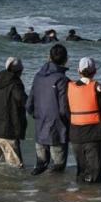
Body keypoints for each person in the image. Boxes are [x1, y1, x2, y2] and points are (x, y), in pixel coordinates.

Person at [26, 44, 70, 174]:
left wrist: (39, 116)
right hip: (58, 131)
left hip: (40, 130)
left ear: (48, 57)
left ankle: (39, 194)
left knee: (40, 169)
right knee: (56, 171)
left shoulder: (38, 77)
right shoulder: (62, 79)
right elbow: (63, 109)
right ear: (66, 59)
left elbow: (29, 105)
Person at [68, 57, 101, 183]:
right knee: (95, 173)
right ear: (95, 71)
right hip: (94, 135)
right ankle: (92, 199)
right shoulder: (99, 88)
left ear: (78, 71)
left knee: (82, 171)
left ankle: (81, 199)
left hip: (75, 135)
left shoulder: (70, 87)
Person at [0, 57, 27, 167]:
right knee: (16, 169)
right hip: (7, 132)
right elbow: (23, 100)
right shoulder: (15, 84)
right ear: (19, 71)